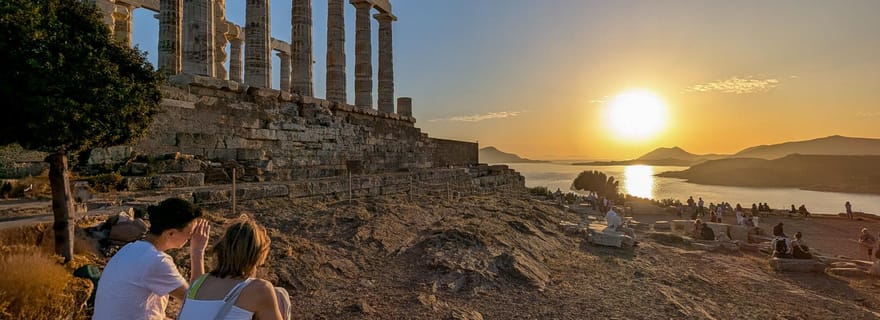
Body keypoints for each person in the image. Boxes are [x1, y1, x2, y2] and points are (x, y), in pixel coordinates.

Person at [94, 198, 210, 320]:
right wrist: (197, 252)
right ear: (171, 233)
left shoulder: (130, 249)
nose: (191, 237)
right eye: (190, 233)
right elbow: (196, 302)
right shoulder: (156, 261)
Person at [178, 215, 290, 320]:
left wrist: (197, 252)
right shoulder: (259, 289)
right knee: (280, 295)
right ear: (257, 256)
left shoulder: (198, 283)